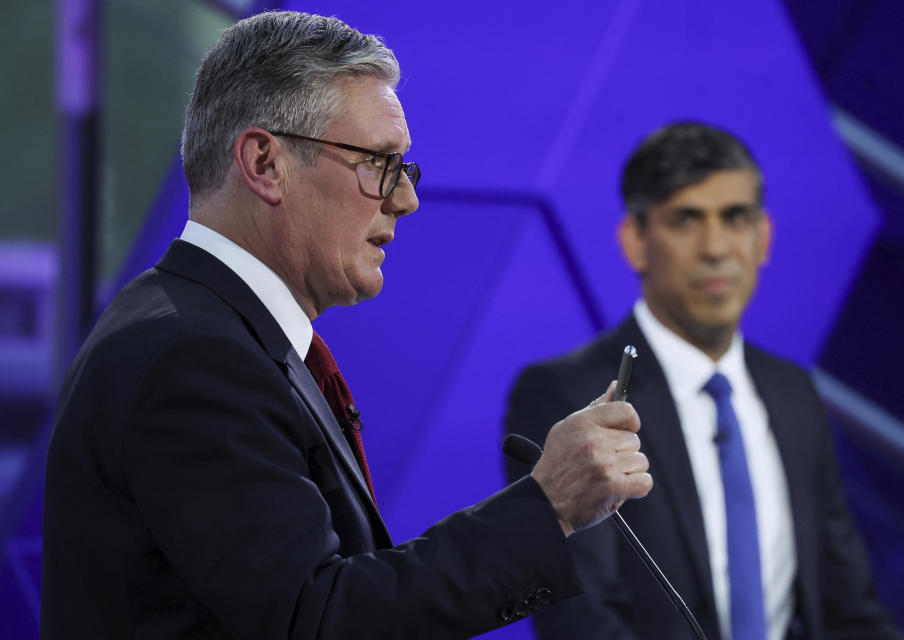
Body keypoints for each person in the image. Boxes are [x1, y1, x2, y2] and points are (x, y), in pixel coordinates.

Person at [41, 11, 653, 640]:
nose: (405, 199)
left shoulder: (205, 330)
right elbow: (319, 619)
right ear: (264, 162)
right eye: (378, 162)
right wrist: (545, 507)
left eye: (403, 168)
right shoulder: (192, 357)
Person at [504, 122, 904, 640]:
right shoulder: (565, 396)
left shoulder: (793, 393)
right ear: (636, 242)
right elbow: (580, 618)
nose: (716, 247)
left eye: (735, 218)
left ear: (763, 237)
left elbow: (849, 608)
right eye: (686, 220)